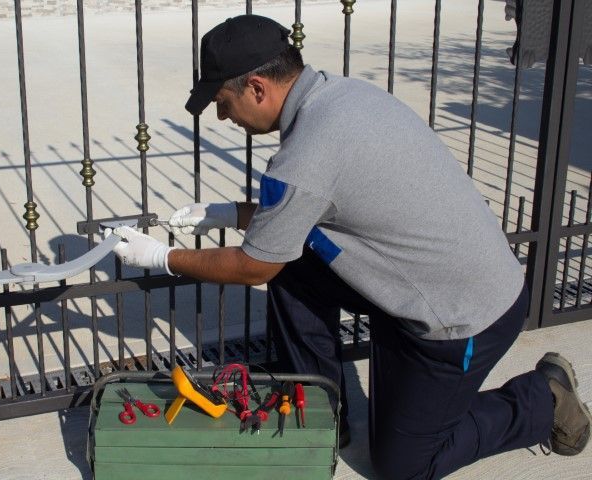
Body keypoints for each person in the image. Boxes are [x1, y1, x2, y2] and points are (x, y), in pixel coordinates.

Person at [108, 14, 591, 479]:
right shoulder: (342, 96)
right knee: (293, 267)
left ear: (257, 87)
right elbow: (312, 213)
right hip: (429, 283)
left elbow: (253, 266)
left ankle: (542, 398)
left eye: (222, 100)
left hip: (461, 319)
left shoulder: (306, 156)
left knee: (403, 465)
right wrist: (229, 213)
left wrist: (161, 257)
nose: (221, 114)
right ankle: (321, 413)